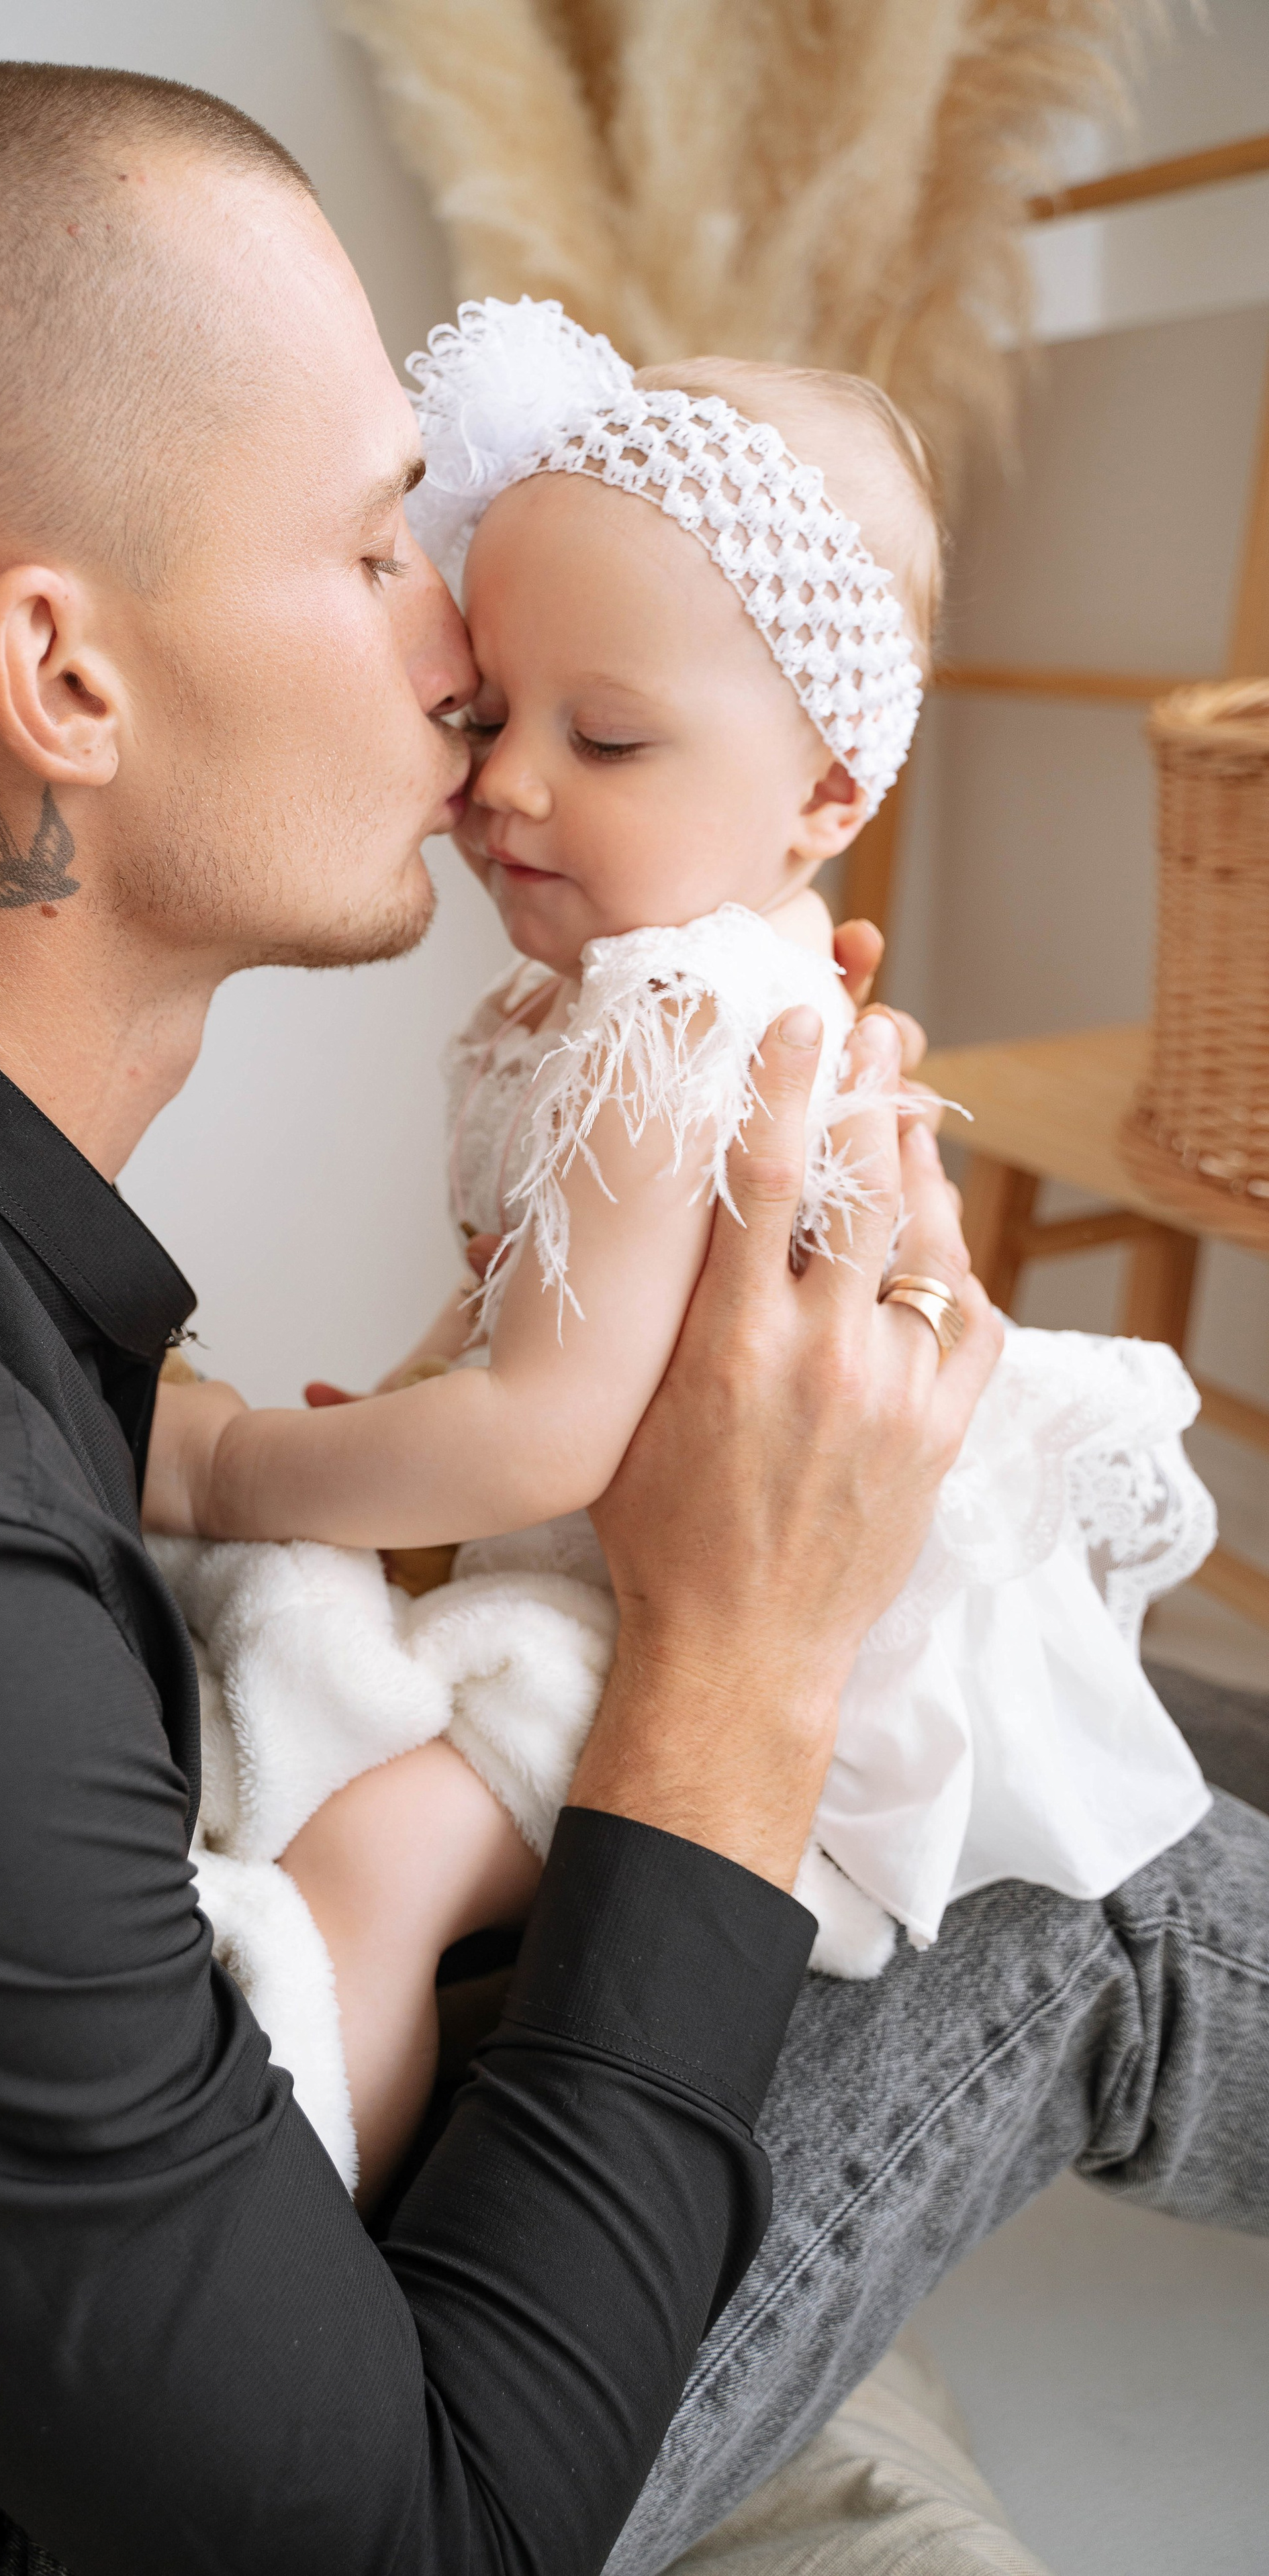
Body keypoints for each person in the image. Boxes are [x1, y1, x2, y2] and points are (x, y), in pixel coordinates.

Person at [0, 59, 1261, 2576]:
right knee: (1102, 1877)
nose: (463, 661)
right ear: (65, 677)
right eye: (379, 551)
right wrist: (743, 1653)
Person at [143, 300, 1215, 2203]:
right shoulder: (599, 1005)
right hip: (636, 1554)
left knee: (374, 1860)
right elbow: (532, 1312)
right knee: (305, 1693)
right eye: (491, 715)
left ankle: (304, 2272)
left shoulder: (673, 1011)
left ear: (829, 796)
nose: (511, 786)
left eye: (609, 735)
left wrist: (238, 1462)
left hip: (751, 1619)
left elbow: (551, 1428)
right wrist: (403, 1414)